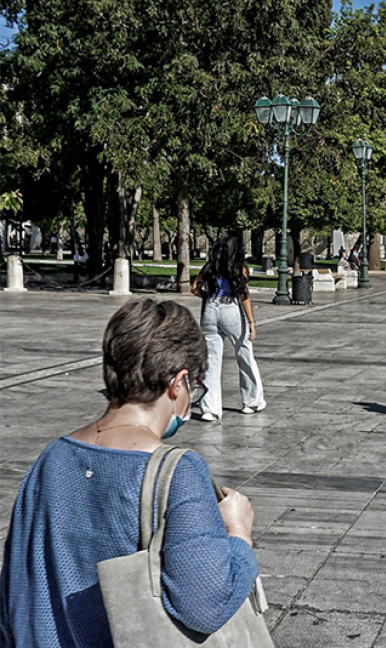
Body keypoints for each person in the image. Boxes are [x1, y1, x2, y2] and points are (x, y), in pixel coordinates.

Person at [0, 298, 259, 646]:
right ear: (178, 382)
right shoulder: (180, 471)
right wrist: (239, 531)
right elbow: (206, 606)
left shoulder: (52, 456)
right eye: (195, 387)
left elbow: (17, 583)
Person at [190, 235, 265, 420]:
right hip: (230, 309)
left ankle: (210, 409)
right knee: (244, 354)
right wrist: (251, 323)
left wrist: (207, 298)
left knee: (211, 360)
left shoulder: (209, 267)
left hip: (210, 310)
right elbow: (244, 296)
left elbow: (194, 288)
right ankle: (251, 401)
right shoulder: (240, 269)